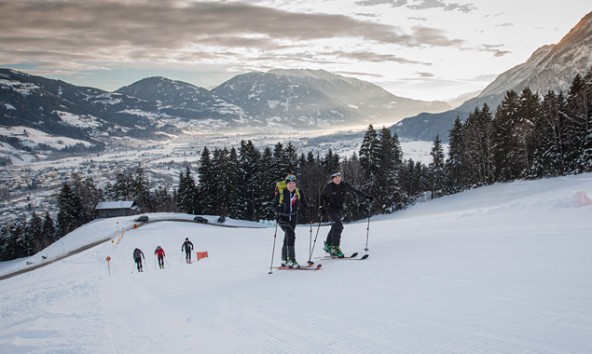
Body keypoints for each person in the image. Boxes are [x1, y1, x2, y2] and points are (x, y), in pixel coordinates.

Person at [319, 171, 373, 258]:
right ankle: (335, 248)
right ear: (332, 179)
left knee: (335, 226)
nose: (337, 179)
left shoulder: (344, 185)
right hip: (329, 208)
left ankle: (328, 245)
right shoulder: (329, 187)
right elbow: (321, 196)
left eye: (339, 177)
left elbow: (355, 191)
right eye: (335, 177)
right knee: (339, 226)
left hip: (339, 208)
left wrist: (366, 197)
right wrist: (321, 207)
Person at [273, 174, 309, 268]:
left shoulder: (298, 192)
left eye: (293, 183)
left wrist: (309, 208)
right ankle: (291, 259)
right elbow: (273, 206)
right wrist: (278, 209)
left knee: (287, 236)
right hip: (282, 218)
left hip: (293, 218)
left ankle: (284, 259)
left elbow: (305, 204)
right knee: (291, 235)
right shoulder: (282, 193)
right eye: (289, 183)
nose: (291, 185)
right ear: (286, 184)